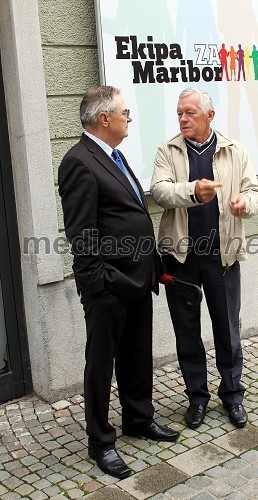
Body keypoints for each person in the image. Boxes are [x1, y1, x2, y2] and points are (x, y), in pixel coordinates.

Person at [58, 86, 179, 480]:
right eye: (125, 112)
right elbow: (82, 234)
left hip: (139, 278)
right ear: (104, 118)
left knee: (137, 355)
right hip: (109, 285)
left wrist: (152, 263)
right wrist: (100, 282)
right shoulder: (78, 161)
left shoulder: (114, 154)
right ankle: (101, 442)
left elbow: (131, 214)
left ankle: (138, 419)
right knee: (101, 363)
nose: (130, 118)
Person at [150, 88, 258, 430]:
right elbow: (159, 191)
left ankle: (232, 395)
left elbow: (254, 192)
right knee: (187, 332)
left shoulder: (233, 150)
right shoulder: (168, 150)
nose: (183, 118)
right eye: (179, 113)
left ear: (209, 116)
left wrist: (245, 204)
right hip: (180, 258)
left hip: (221, 255)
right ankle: (197, 398)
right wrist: (192, 192)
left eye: (190, 112)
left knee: (227, 329)